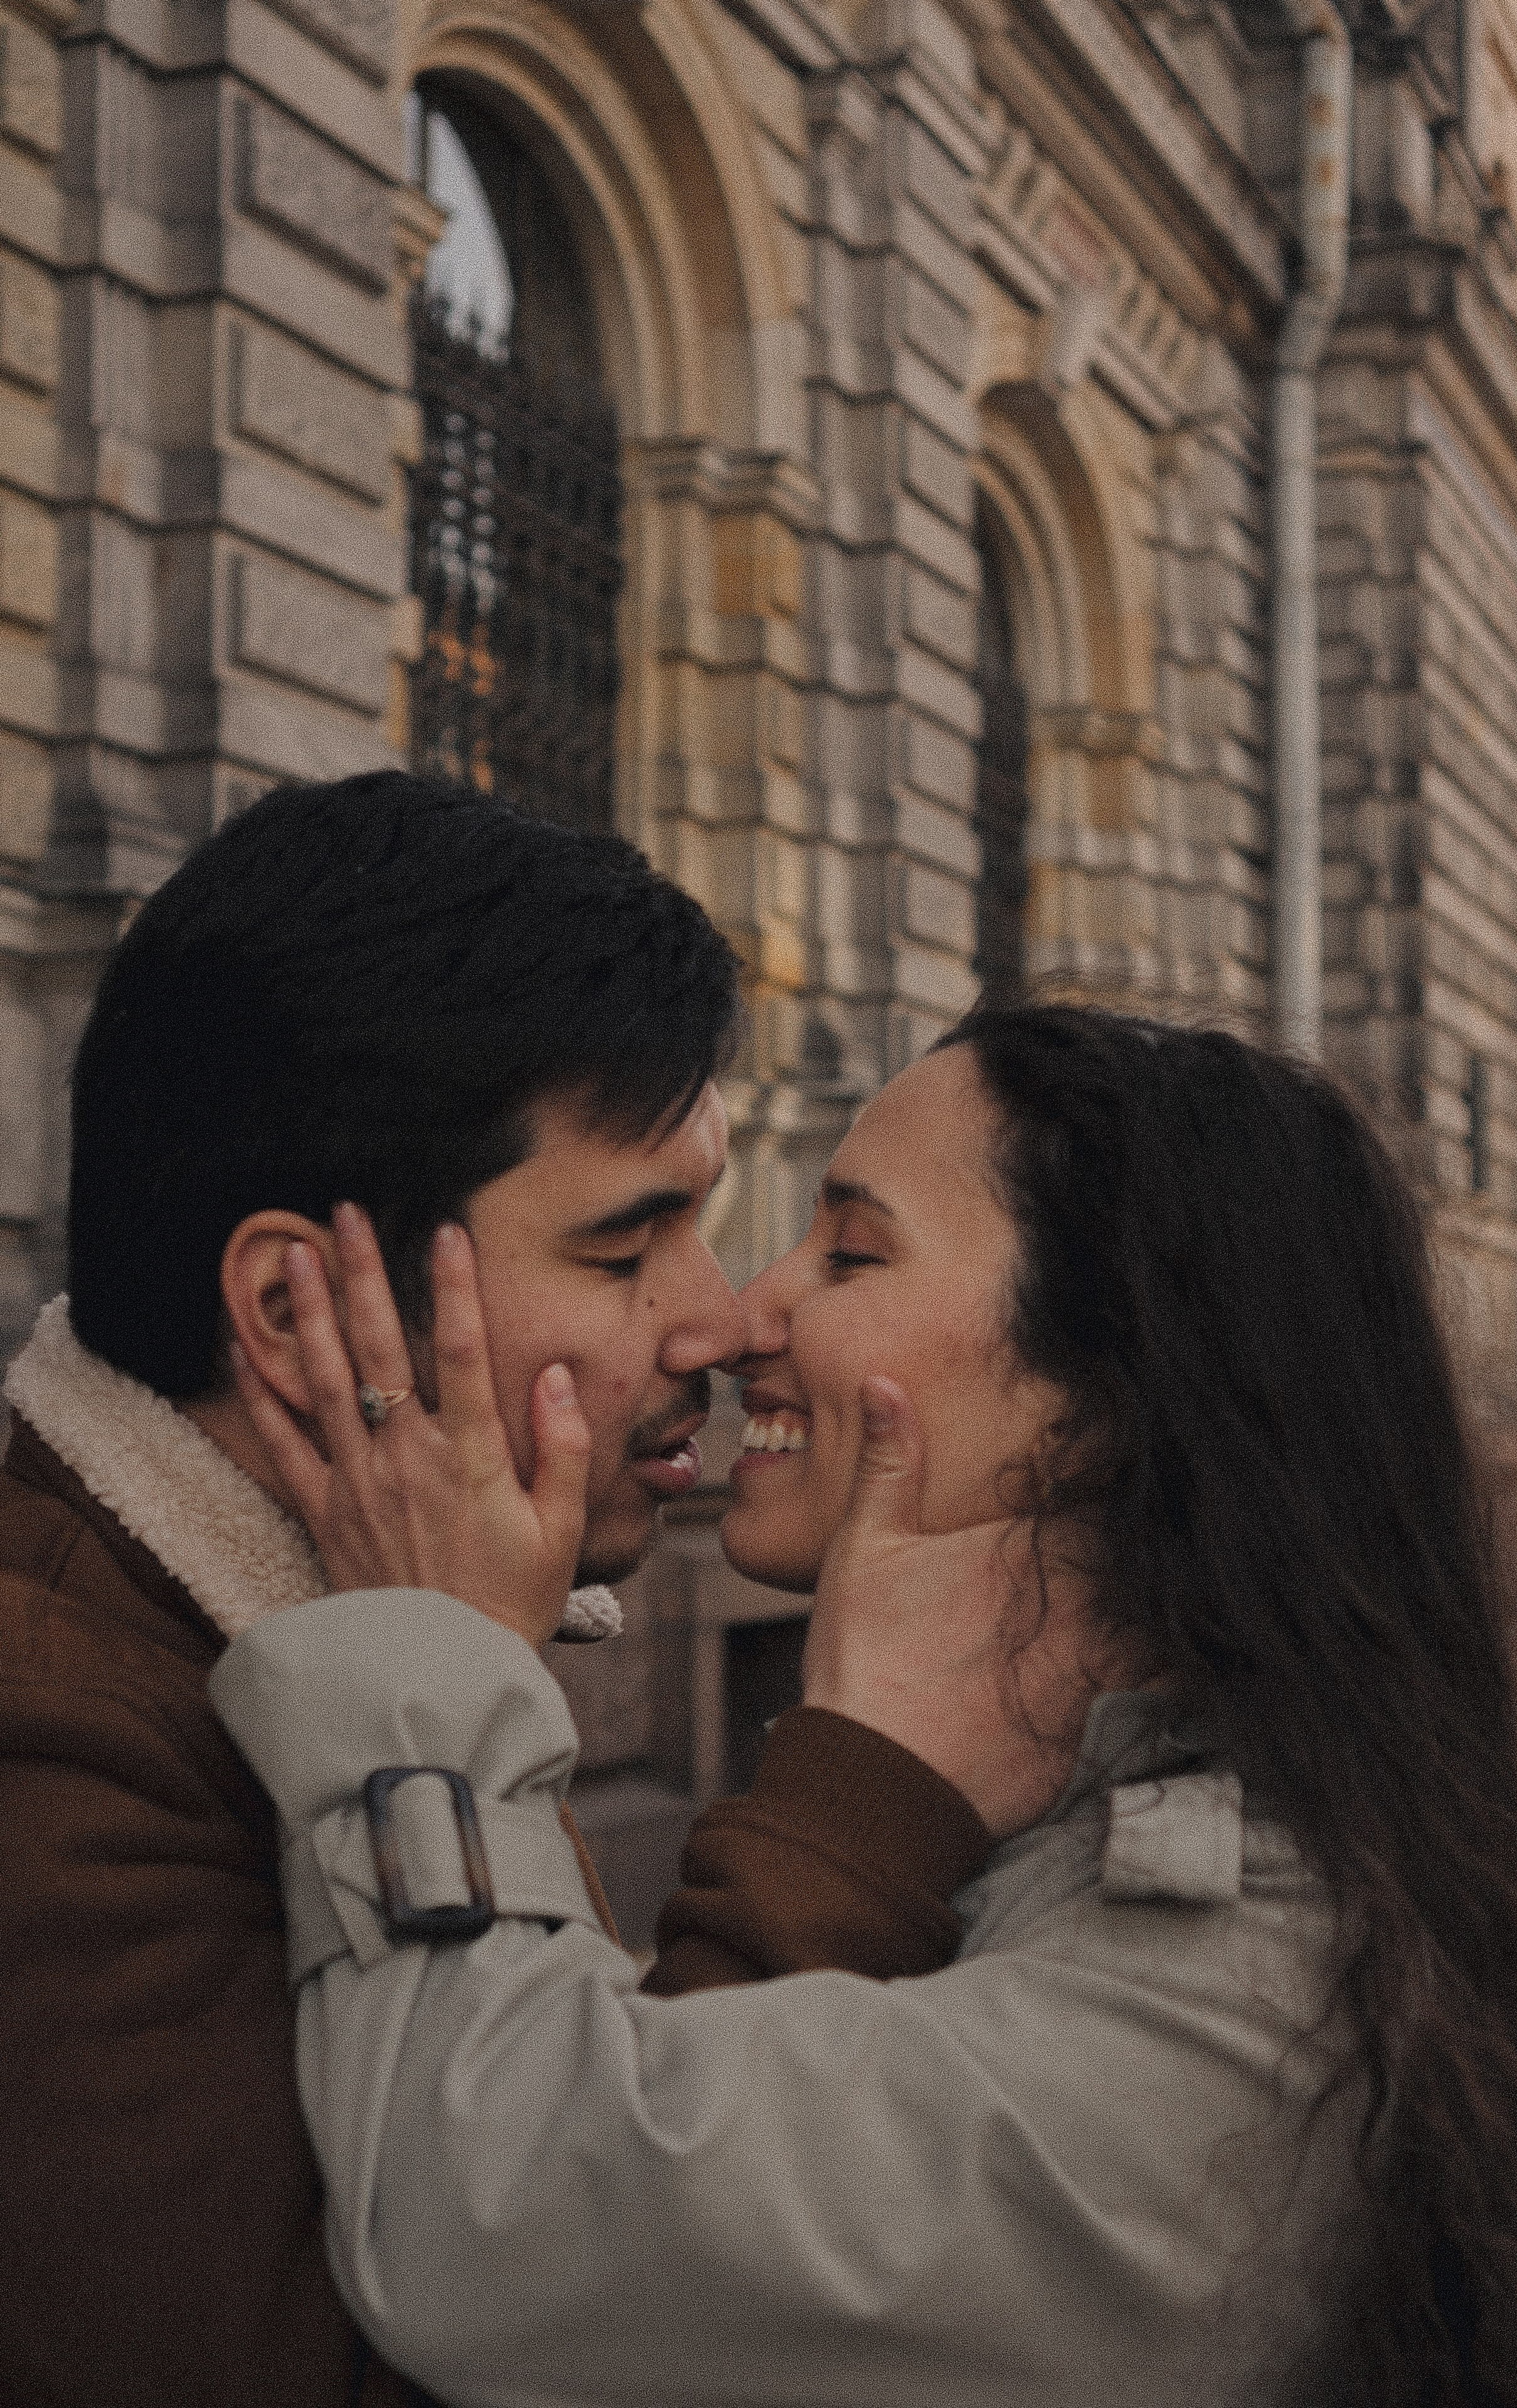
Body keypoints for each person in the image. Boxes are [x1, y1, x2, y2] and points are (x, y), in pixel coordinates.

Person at [212, 1002, 1517, 2407]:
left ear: (1100, 1399)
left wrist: (432, 1652)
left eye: (852, 1251)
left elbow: (505, 2229)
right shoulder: (1116, 1818)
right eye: (627, 1250)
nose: (743, 1314)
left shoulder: (1234, 1997)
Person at [0, 772, 973, 2408]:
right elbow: (615, 2329)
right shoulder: (57, 1761)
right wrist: (856, 1805)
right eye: (626, 1249)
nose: (721, 1322)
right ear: (297, 1312)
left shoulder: (338, 1631)